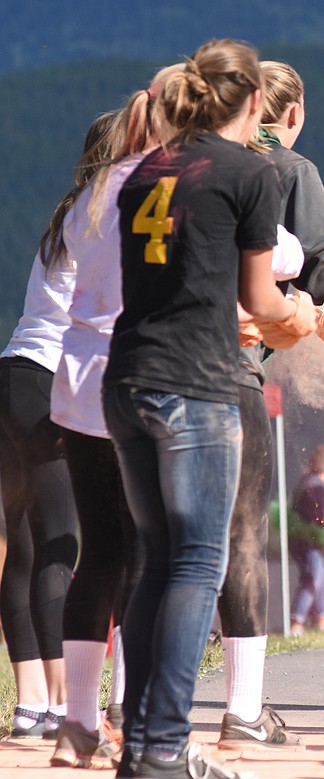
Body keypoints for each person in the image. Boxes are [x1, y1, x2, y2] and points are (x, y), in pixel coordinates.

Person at [103, 39, 317, 779]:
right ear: (255, 102)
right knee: (200, 561)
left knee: (154, 560)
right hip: (198, 378)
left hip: (126, 376)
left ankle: (138, 740)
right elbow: (259, 301)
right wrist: (302, 318)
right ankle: (164, 744)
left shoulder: (143, 170)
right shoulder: (251, 173)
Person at [211, 58, 324, 755]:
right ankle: (242, 710)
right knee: (242, 540)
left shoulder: (193, 166)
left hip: (141, 371)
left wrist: (297, 311)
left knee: (155, 545)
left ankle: (121, 708)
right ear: (289, 114)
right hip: (226, 374)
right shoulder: (289, 170)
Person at [47, 80, 181, 768]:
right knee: (144, 554)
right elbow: (276, 253)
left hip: (74, 383)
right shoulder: (172, 186)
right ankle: (134, 709)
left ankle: (76, 721)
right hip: (136, 381)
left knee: (96, 554)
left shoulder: (92, 194)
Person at [0, 116, 103, 744]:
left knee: (25, 545)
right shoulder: (102, 220)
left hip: (12, 374)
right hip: (45, 383)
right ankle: (67, 705)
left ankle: (30, 703)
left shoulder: (65, 215)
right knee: (60, 544)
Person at [289, 444, 324, 635]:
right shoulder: (322, 488)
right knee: (313, 580)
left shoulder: (304, 482)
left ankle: (322, 617)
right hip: (312, 541)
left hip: (296, 538)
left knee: (316, 577)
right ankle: (298, 620)